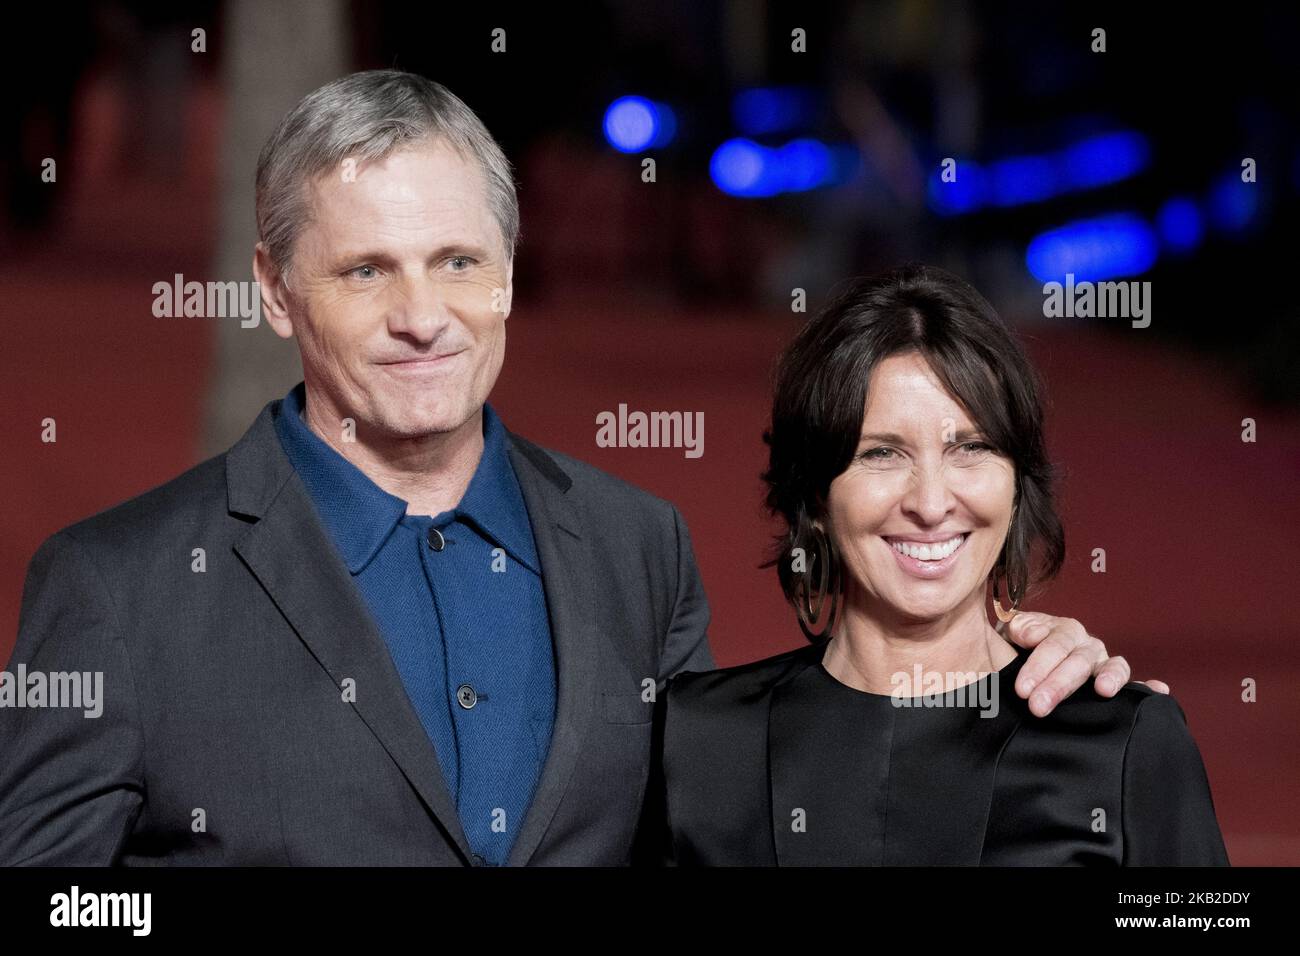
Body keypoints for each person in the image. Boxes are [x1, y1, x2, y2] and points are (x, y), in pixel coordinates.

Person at [0, 72, 1149, 867]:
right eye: (364, 271)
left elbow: (745, 817)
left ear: (508, 272)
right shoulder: (120, 591)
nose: (422, 316)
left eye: (460, 261)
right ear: (273, 288)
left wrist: (994, 681)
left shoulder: (636, 546)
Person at [651, 265, 1229, 865]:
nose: (930, 503)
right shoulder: (698, 738)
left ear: (1016, 486)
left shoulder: (1125, 741)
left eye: (971, 449)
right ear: (816, 498)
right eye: (881, 453)